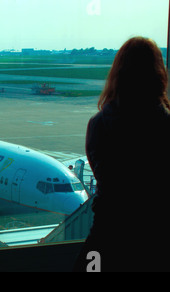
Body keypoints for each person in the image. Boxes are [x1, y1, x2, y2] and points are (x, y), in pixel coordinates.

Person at [74, 37, 170, 272]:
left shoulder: (99, 125)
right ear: (158, 74)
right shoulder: (165, 125)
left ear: (117, 73)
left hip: (109, 235)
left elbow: (104, 178)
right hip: (155, 239)